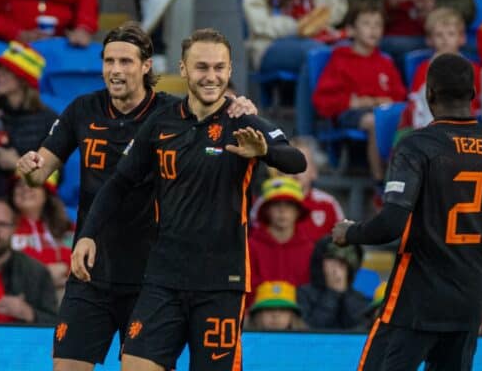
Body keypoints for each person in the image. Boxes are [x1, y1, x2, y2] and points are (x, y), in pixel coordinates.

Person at [16, 23, 258, 371]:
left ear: (146, 66)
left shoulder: (173, 114)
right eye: (109, 61)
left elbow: (219, 113)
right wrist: (27, 168)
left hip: (152, 275)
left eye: (126, 61)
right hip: (92, 269)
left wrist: (240, 107)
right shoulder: (82, 109)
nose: (116, 70)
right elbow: (38, 173)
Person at [70, 28, 306, 371]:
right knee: (134, 365)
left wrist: (265, 151)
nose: (211, 77)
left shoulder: (243, 121)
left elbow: (296, 160)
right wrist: (88, 233)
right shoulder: (160, 123)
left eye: (219, 68)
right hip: (163, 277)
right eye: (202, 67)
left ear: (229, 70)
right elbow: (119, 183)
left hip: (220, 283)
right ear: (183, 69)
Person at [332, 53, 482, 370]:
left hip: (416, 297)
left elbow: (391, 224)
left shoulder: (415, 146)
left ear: (429, 94)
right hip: (468, 296)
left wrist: (350, 232)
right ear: (474, 94)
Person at [313, 1, 406, 183]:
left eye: (378, 25)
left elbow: (400, 95)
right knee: (374, 121)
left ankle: (403, 176)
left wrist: (386, 100)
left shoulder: (385, 62)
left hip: (383, 111)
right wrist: (352, 102)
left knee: (404, 117)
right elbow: (322, 100)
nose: (373, 30)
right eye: (366, 24)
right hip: (351, 113)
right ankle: (381, 179)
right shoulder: (340, 59)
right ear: (351, 30)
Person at [0, 41, 56, 204]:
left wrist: (18, 166)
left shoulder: (49, 120)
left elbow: (55, 174)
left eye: (7, 71)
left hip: (27, 200)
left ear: (23, 80)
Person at [336, 0, 474, 73]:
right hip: (387, 38)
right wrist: (387, 3)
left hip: (438, 35)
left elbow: (468, 7)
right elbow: (347, 14)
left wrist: (435, 7)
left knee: (475, 47)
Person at [397, 7, 481, 137]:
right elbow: (416, 104)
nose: (445, 39)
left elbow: (478, 102)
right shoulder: (423, 69)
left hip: (465, 127)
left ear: (462, 38)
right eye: (439, 34)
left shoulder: (473, 69)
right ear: (429, 39)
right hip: (430, 126)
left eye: (451, 34)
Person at [250, 136, 345, 241]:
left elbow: (341, 244)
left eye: (303, 164)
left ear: (314, 172)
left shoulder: (328, 204)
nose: (296, 171)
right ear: (279, 170)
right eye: (290, 163)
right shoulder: (265, 202)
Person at [9, 172, 74, 303]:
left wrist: (66, 270)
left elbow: (81, 260)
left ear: (46, 193)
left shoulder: (66, 227)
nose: (25, 189)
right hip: (19, 295)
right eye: (19, 185)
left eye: (33, 184)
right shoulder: (2, 225)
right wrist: (45, 273)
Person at [248, 176, 313, 306]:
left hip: (299, 319)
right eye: (276, 204)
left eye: (289, 205)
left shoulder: (310, 249)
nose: (282, 211)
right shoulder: (250, 247)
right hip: (257, 319)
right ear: (266, 211)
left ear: (298, 211)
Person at [297, 236, 370, 330]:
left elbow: (359, 328)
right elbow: (310, 329)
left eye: (342, 263)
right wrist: (332, 293)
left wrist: (343, 291)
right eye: (331, 260)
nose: (336, 268)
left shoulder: (359, 298)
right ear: (320, 263)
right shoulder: (305, 294)